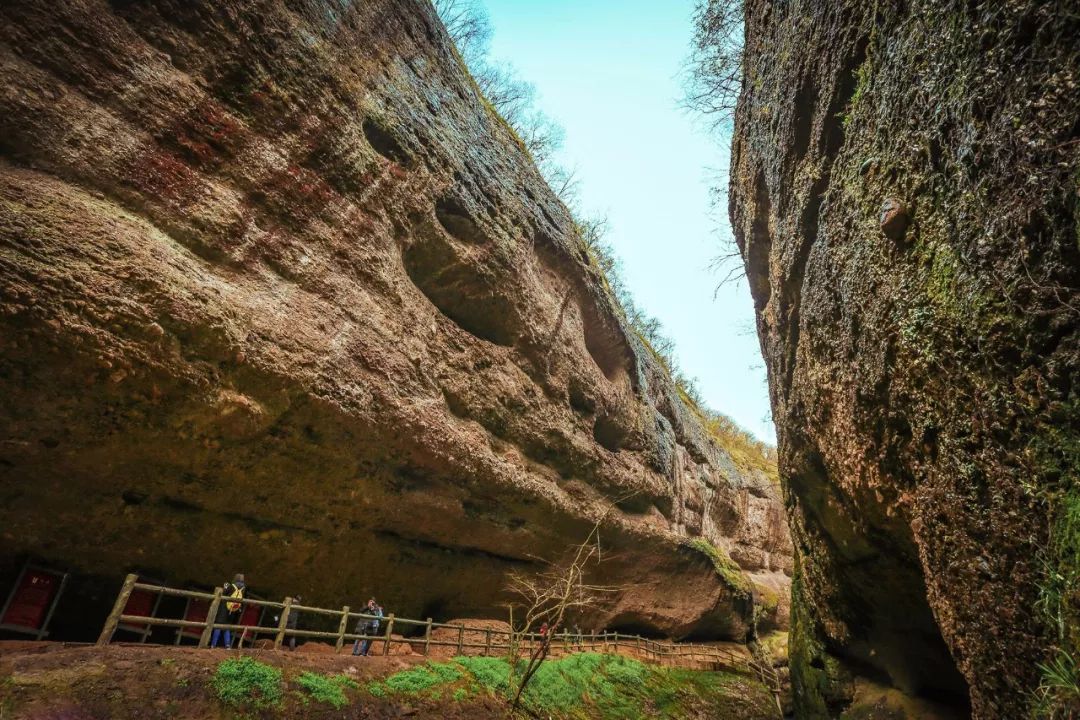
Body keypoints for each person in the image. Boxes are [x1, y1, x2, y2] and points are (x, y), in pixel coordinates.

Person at [211, 573, 246, 649]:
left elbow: (223, 593)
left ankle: (213, 645)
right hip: (232, 610)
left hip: (224, 609)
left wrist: (225, 585)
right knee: (227, 627)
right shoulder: (243, 588)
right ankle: (227, 645)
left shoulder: (230, 586)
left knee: (218, 626)